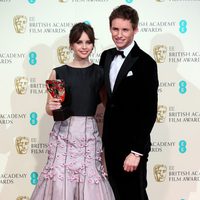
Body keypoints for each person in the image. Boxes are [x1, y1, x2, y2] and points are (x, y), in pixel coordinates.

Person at [30, 22, 115, 200]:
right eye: (79, 42)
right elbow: (49, 108)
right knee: (59, 178)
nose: (84, 47)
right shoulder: (58, 72)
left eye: (88, 42)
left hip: (88, 136)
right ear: (71, 45)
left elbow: (110, 106)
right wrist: (51, 107)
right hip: (63, 135)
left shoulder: (100, 73)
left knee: (89, 178)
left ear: (93, 44)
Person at [99, 5, 159, 200]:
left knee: (135, 195)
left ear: (135, 29)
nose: (119, 34)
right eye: (115, 29)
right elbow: (103, 95)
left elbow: (149, 110)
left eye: (125, 29)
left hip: (132, 145)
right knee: (114, 194)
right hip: (110, 141)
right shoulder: (106, 56)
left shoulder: (146, 63)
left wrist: (136, 152)